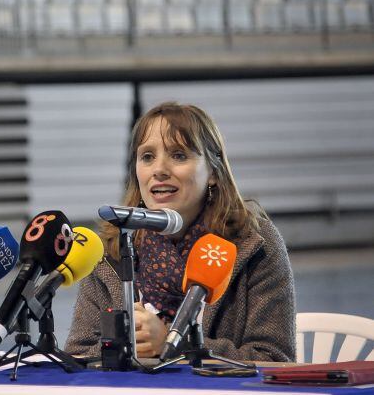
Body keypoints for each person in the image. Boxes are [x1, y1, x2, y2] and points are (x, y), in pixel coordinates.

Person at [64, 102, 296, 362]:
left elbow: (274, 359)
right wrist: (122, 345)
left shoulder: (254, 242)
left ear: (213, 172)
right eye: (147, 157)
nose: (159, 170)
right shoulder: (111, 247)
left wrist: (172, 344)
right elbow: (78, 355)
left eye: (178, 155)